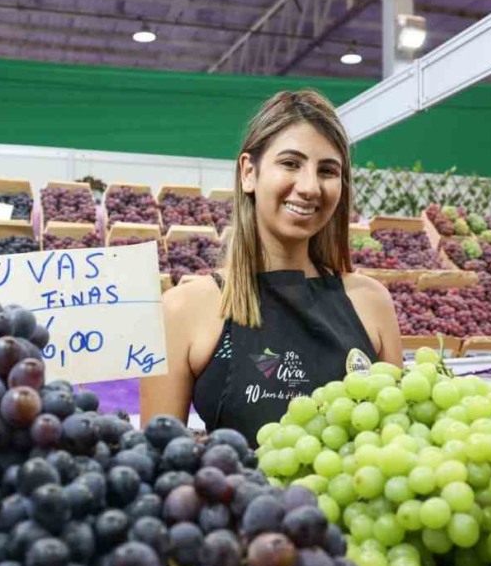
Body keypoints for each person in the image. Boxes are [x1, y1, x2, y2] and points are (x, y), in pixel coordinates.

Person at [140, 90, 403, 445]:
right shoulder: (182, 309)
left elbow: (396, 441)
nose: (310, 187)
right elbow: (157, 458)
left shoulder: (372, 302)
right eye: (291, 163)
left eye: (327, 171)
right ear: (249, 173)